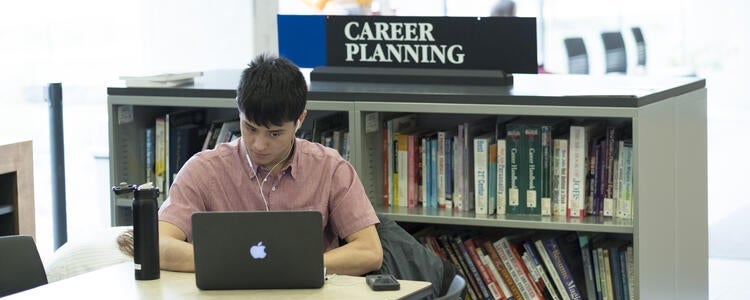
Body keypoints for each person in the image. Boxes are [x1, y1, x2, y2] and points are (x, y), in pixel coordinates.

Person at [156, 53, 383, 276]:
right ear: (239, 110)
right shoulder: (204, 170)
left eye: (275, 134)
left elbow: (369, 251)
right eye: (250, 128)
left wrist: (294, 266)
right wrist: (239, 263)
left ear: (300, 120)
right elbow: (159, 245)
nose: (259, 145)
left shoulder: (330, 168)